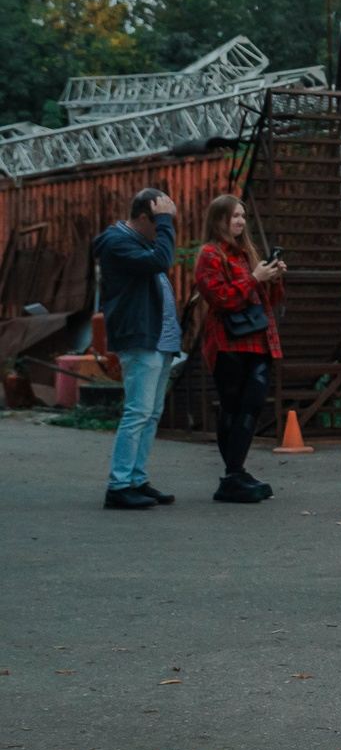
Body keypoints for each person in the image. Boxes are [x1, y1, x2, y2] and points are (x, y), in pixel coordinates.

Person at [193, 194, 286, 505]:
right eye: (234, 216)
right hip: (228, 342)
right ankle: (234, 475)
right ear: (218, 218)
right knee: (234, 406)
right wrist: (254, 278)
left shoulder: (247, 254)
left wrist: (271, 278)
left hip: (258, 340)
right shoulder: (210, 254)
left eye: (243, 216)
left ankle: (236, 473)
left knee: (253, 404)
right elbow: (220, 298)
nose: (240, 221)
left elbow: (264, 303)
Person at [94, 187, 180, 510]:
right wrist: (166, 223)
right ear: (144, 218)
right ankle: (118, 486)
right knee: (138, 412)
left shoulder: (139, 242)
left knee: (151, 413)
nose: (164, 231)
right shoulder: (117, 243)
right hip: (138, 337)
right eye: (158, 223)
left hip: (159, 339)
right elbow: (163, 259)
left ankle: (136, 479)